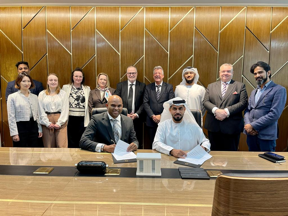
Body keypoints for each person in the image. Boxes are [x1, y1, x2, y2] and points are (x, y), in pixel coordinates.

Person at [203, 63, 248, 151]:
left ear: (232, 73)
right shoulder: (211, 86)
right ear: (219, 73)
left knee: (230, 155)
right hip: (213, 126)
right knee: (214, 155)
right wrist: (216, 110)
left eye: (228, 71)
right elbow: (205, 101)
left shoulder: (240, 86)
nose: (225, 73)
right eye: (223, 71)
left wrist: (226, 112)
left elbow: (243, 103)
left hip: (232, 127)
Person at [244, 61, 287, 151]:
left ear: (268, 72)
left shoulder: (279, 90)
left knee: (266, 164)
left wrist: (253, 126)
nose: (257, 75)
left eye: (260, 72)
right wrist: (248, 125)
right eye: (255, 74)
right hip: (251, 135)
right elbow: (248, 110)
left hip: (266, 136)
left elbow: (274, 114)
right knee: (251, 163)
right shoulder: (254, 91)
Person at [7, 73, 42, 147]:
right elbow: (11, 117)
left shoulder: (35, 97)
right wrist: (14, 133)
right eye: (24, 81)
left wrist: (40, 129)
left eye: (29, 81)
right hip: (20, 127)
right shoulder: (12, 97)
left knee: (34, 151)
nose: (27, 83)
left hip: (33, 126)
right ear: (18, 82)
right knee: (21, 153)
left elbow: (38, 114)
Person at [114, 66, 146, 148]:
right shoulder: (120, 85)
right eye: (129, 73)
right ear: (126, 74)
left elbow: (144, 102)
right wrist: (124, 113)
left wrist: (136, 114)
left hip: (137, 120)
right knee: (123, 141)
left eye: (133, 73)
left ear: (137, 74)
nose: (131, 75)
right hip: (122, 118)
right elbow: (116, 101)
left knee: (136, 142)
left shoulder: (142, 86)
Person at [143, 66, 175, 148]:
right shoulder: (148, 87)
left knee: (164, 144)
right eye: (155, 73)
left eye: (159, 73)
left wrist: (161, 116)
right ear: (153, 76)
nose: (157, 75)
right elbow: (145, 103)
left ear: (163, 76)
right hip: (151, 121)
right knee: (152, 143)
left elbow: (170, 103)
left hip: (164, 120)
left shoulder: (169, 87)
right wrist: (152, 116)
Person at [62, 67, 91, 148]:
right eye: (76, 76)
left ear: (83, 78)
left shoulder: (87, 88)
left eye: (80, 76)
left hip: (82, 118)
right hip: (70, 117)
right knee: (71, 139)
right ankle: (72, 158)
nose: (78, 78)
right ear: (72, 77)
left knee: (81, 138)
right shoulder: (65, 87)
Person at [38, 73, 69, 148]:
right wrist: (47, 123)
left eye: (55, 80)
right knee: (49, 145)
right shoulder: (42, 94)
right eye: (51, 80)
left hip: (60, 119)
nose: (53, 82)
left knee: (62, 145)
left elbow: (65, 109)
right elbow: (40, 110)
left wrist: (60, 123)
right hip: (46, 120)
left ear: (58, 82)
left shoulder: (63, 94)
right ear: (47, 82)